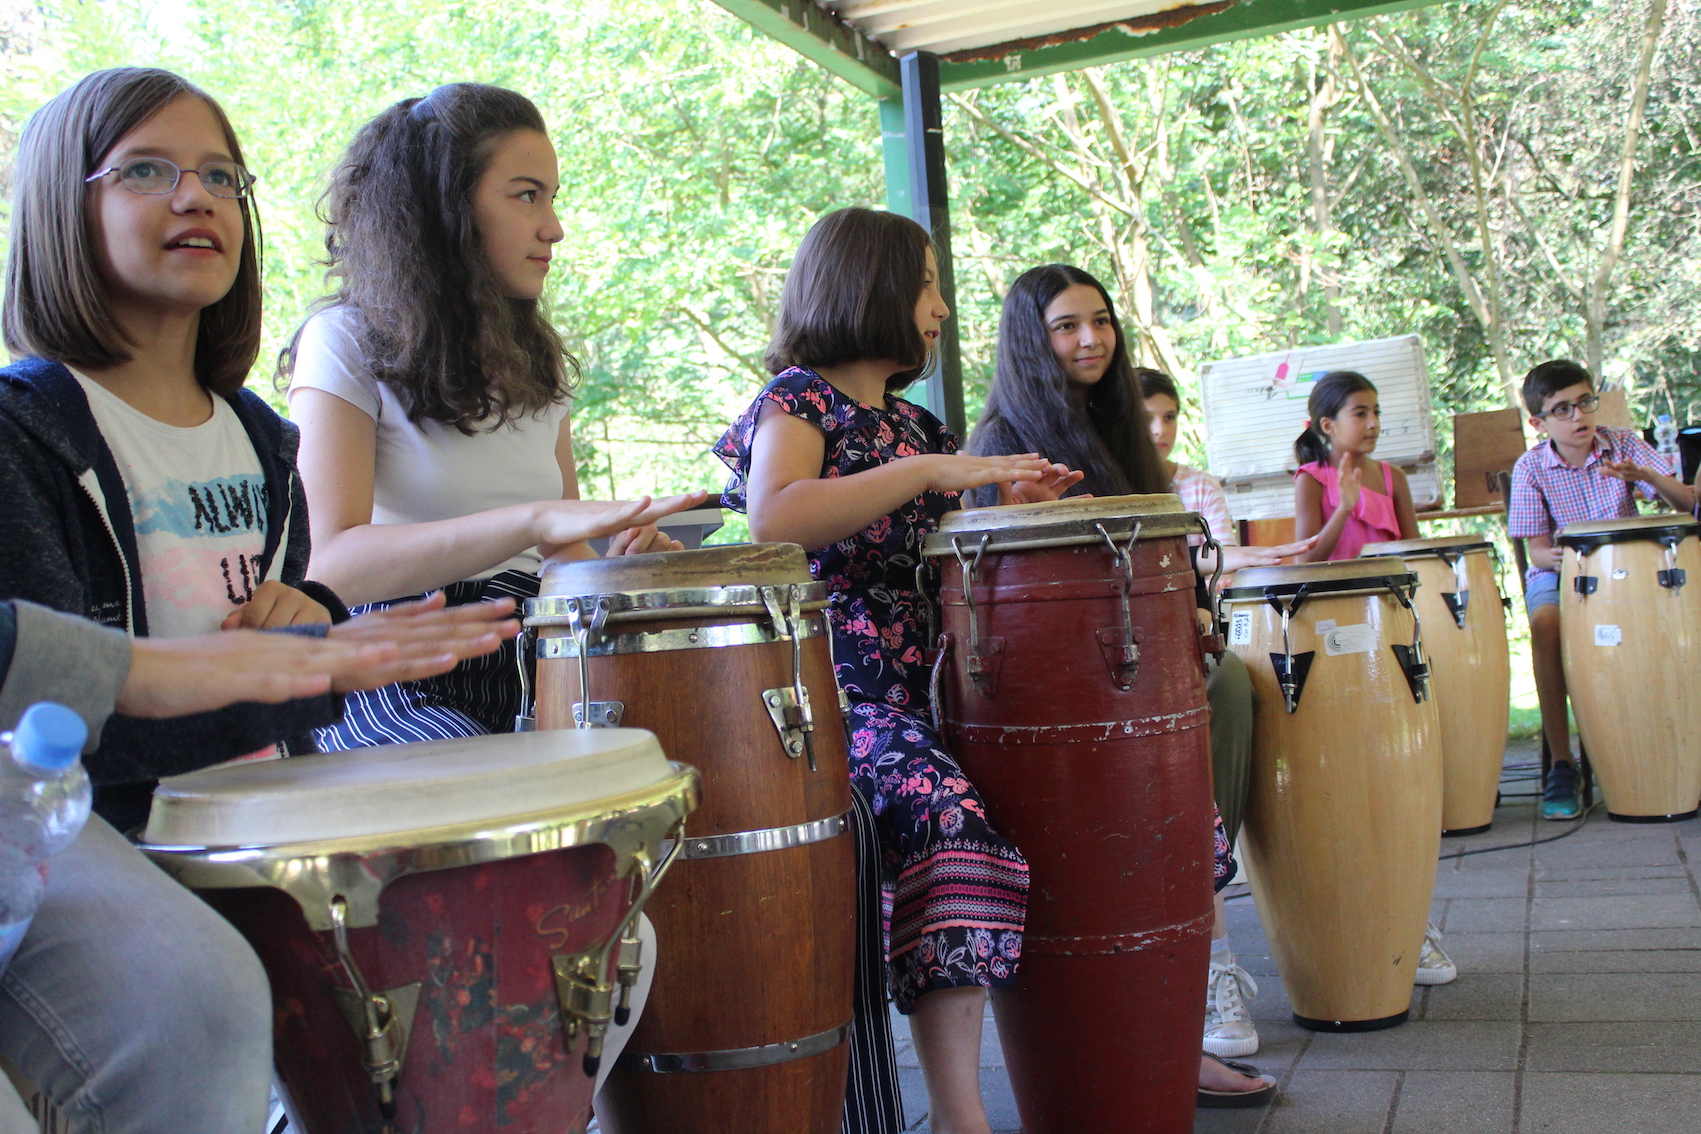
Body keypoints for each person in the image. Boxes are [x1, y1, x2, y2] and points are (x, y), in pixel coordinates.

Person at [716, 208, 1075, 1134]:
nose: (941, 308)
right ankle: (962, 1114)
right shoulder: (799, 401)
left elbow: (935, 542)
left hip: (931, 679)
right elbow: (777, 517)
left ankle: (1139, 1035)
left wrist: (996, 496)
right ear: (868, 287)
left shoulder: (912, 422)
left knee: (1078, 771)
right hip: (836, 693)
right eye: (925, 284)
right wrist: (932, 475)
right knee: (943, 812)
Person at [284, 83, 704, 751]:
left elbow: (561, 556)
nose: (554, 227)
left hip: (536, 656)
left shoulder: (535, 359)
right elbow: (326, 564)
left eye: (552, 198)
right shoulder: (344, 340)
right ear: (445, 209)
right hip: (392, 661)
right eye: (526, 194)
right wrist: (533, 521)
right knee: (484, 780)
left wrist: (613, 562)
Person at [0, 594, 520, 1132]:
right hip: (74, 791)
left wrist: (308, 612)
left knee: (205, 1002)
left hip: (242, 763)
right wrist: (148, 669)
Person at [967, 263, 1287, 1106]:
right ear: (1031, 343)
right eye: (1067, 326)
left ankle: (1181, 1031)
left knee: (1194, 799)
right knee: (1139, 865)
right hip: (1065, 698)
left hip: (1142, 677)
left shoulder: (1116, 429)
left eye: (1101, 322)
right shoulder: (1000, 438)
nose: (1090, 340)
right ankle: (1163, 1039)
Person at [1507, 359, 1696, 820]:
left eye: (1586, 402)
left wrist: (1647, 477)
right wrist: (1569, 558)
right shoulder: (1532, 467)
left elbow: (1689, 506)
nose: (1579, 417)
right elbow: (1536, 552)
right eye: (1563, 409)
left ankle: (1672, 746)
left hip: (1631, 574)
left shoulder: (1624, 445)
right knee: (1546, 625)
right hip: (1563, 573)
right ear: (1539, 422)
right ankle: (1563, 764)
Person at [1291, 370, 1420, 561]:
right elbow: (1304, 561)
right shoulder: (1310, 479)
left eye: (1376, 413)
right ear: (1328, 426)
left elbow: (1415, 552)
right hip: (1338, 590)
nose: (1373, 423)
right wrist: (1345, 508)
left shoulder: (1394, 476)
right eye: (1360, 414)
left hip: (1391, 590)